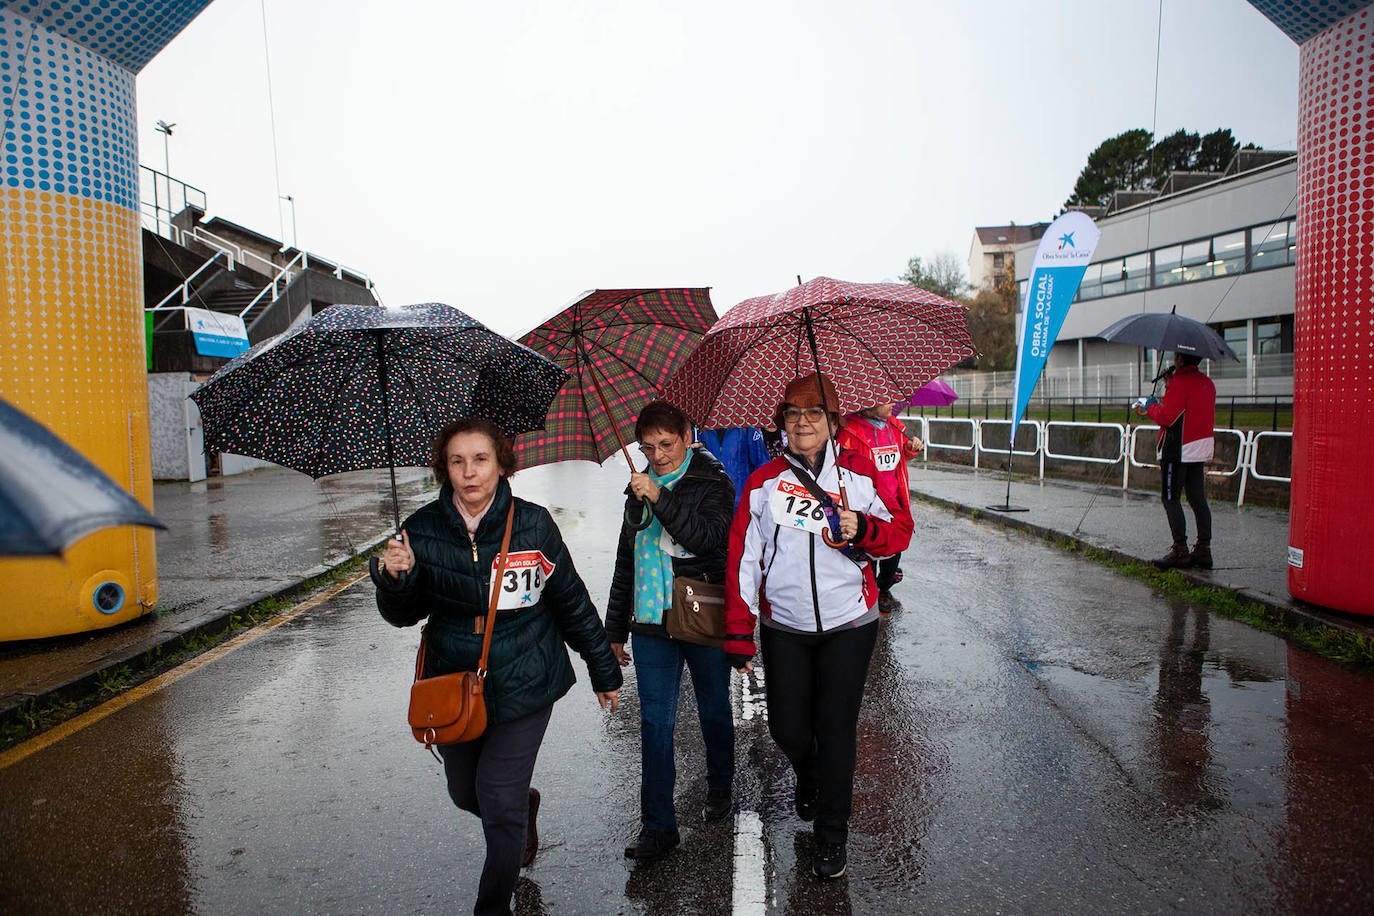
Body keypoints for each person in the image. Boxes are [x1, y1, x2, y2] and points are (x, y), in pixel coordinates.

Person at [372, 417, 622, 916]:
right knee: (467, 793)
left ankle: (492, 904)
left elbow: (571, 601)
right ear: (445, 468)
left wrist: (603, 669)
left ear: (501, 463)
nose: (470, 472)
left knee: (497, 799)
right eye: (457, 461)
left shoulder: (532, 524)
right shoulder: (418, 530)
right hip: (454, 682)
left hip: (527, 676)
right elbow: (403, 616)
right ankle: (522, 807)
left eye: (480, 459)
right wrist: (395, 579)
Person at [723, 373, 914, 880]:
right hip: (784, 625)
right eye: (792, 414)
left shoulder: (859, 474)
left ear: (833, 422)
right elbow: (744, 559)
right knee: (788, 728)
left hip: (850, 622)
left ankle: (832, 834)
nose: (802, 422)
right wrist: (739, 632)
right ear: (781, 423)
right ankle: (808, 773)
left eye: (814, 414)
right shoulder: (763, 483)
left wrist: (864, 528)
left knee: (836, 730)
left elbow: (900, 531)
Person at [606, 401, 737, 862]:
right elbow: (627, 560)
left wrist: (660, 497)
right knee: (654, 722)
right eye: (647, 446)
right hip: (648, 620)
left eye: (666, 444)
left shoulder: (713, 481)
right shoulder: (636, 486)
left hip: (699, 613)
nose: (658, 455)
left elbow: (707, 538)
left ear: (686, 435)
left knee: (714, 706)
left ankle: (721, 783)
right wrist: (614, 627)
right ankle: (658, 827)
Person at [837, 401, 922, 612]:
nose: (891, 403)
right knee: (870, 548)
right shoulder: (849, 431)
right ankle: (870, 591)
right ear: (867, 405)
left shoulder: (894, 426)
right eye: (885, 400)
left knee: (895, 549)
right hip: (868, 503)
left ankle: (884, 586)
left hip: (894, 501)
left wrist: (910, 449)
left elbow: (900, 455)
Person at [1135, 352, 1217, 569]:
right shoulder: (1207, 383)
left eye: (1175, 356)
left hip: (1177, 449)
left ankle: (1180, 549)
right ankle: (1203, 549)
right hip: (1198, 448)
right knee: (1197, 498)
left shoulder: (1180, 383)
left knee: (1170, 498)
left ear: (1180, 359)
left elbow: (1167, 417)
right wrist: (1170, 387)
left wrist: (1150, 406)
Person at [696, 426, 772, 510]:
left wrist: (754, 496)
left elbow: (762, 465)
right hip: (710, 501)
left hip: (741, 503)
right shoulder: (701, 431)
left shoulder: (746, 428)